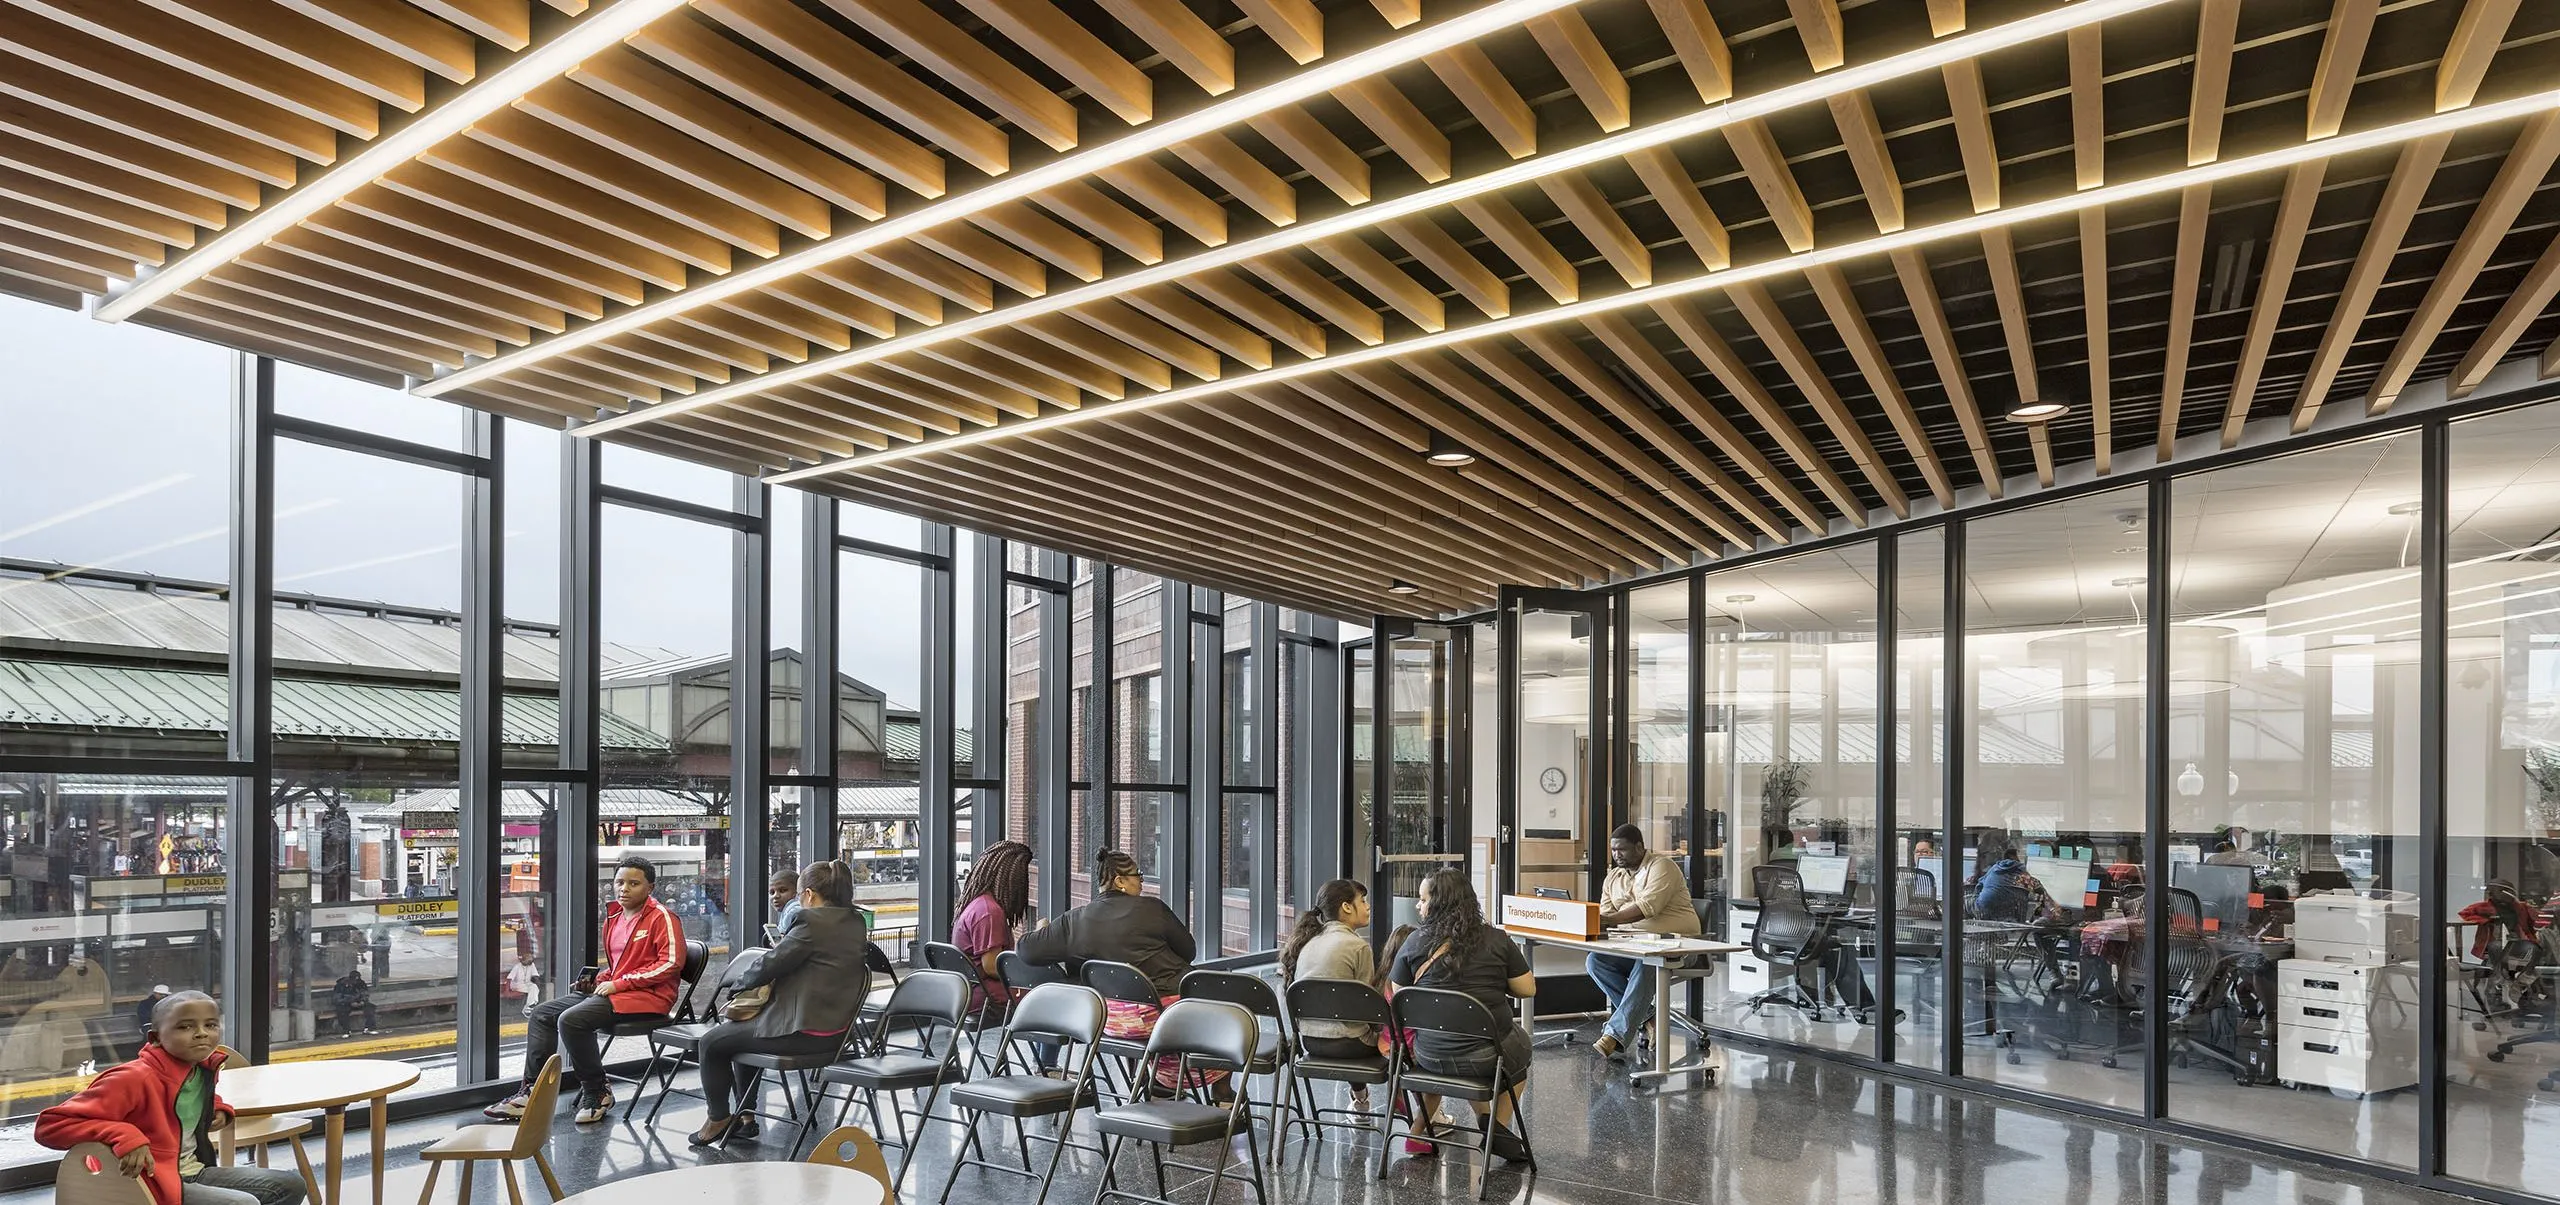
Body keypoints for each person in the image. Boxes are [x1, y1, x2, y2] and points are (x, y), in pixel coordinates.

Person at [38, 990, 307, 1205]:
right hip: (151, 1181)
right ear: (155, 1038)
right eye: (185, 1027)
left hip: (194, 1171)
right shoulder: (133, 1078)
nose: (202, 1033)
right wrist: (124, 1134)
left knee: (291, 1185)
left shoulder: (200, 1069)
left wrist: (217, 1107)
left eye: (210, 1025)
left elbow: (177, 1105)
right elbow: (50, 1126)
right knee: (242, 1203)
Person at [484, 855, 686, 1125]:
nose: (624, 888)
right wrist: (600, 980)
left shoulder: (662, 917)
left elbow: (671, 964)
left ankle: (597, 1091)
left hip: (648, 997)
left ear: (650, 888)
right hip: (618, 991)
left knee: (572, 1020)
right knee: (542, 1013)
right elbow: (622, 966)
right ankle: (532, 1092)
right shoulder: (614, 917)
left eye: (633, 883)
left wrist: (618, 983)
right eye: (619, 882)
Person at [685, 860, 870, 1147]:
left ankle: (718, 1118)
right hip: (838, 1034)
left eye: (797, 895)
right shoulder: (855, 922)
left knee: (711, 1042)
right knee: (740, 1033)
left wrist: (738, 985)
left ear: (808, 895)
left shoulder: (811, 922)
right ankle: (745, 1119)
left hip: (801, 1034)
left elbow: (770, 963)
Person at [1018, 849, 1200, 1090]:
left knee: (1132, 996)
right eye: (1138, 876)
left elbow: (1026, 951)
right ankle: (1212, 1092)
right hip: (1164, 1017)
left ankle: (1150, 1080)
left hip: (1107, 1020)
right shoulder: (1153, 909)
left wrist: (1042, 929)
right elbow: (1189, 951)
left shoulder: (1075, 921)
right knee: (1216, 1010)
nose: (1142, 883)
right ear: (1120, 880)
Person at [1386, 869, 1533, 1164]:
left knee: (1463, 1045)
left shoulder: (1413, 943)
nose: (1418, 906)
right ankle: (1496, 1129)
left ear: (1439, 903)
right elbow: (1526, 989)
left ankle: (1484, 1127)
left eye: (1423, 899)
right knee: (1520, 1047)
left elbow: (1401, 1000)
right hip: (1486, 1057)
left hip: (1430, 1055)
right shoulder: (1497, 940)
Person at [1587, 825, 1701, 1063]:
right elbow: (1606, 915)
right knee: (1596, 961)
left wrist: (1608, 919)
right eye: (1614, 850)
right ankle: (1649, 1017)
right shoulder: (1614, 877)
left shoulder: (1662, 867)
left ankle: (1615, 1035)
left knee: (1649, 960)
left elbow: (1648, 908)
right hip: (1634, 945)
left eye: (1623, 849)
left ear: (1639, 847)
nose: (1617, 854)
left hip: (1682, 946)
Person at [1282, 880, 1377, 1108]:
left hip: (1311, 1042)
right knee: (1399, 1041)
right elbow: (1369, 1009)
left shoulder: (1306, 942)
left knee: (1349, 1022)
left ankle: (1360, 1097)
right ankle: (1416, 1111)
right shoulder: (1358, 947)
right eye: (1362, 901)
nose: (1367, 907)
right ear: (1346, 907)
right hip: (1351, 1045)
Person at [950, 840, 1035, 1017]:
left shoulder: (975, 904)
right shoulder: (989, 912)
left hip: (967, 993)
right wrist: (1027, 974)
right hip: (986, 998)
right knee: (1052, 1000)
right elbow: (991, 966)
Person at [331, 969, 377, 1037]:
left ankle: (369, 1028)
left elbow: (365, 994)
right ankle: (346, 1030)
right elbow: (337, 998)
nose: (355, 982)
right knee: (341, 1011)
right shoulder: (341, 984)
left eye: (357, 980)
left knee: (370, 1007)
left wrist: (362, 1001)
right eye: (354, 980)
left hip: (359, 1002)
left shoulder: (361, 983)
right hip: (346, 1004)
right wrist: (350, 1002)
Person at [767, 869, 802, 937]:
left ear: (798, 891)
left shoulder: (794, 911)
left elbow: (783, 944)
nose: (776, 896)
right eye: (772, 892)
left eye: (782, 890)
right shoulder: (788, 910)